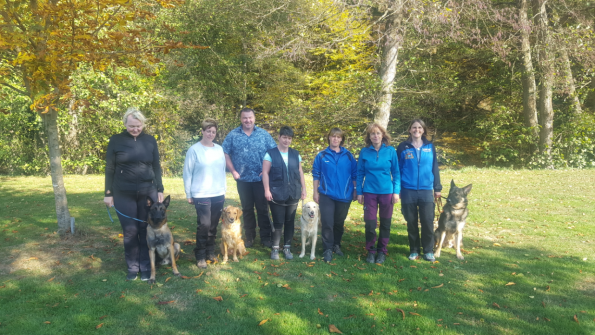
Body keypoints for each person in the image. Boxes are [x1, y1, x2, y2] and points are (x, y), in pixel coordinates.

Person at [104, 107, 164, 281]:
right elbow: (110, 168)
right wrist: (108, 193)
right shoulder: (116, 140)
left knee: (146, 229)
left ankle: (145, 266)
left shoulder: (150, 140)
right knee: (130, 231)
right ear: (125, 124)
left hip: (147, 192)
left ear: (143, 124)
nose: (135, 129)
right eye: (131, 126)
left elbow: (156, 167)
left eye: (138, 126)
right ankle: (132, 267)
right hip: (123, 192)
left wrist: (160, 189)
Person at [222, 108, 277, 248]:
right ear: (241, 119)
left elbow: (274, 153)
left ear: (254, 118)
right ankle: (249, 237)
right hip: (242, 180)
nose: (248, 120)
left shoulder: (264, 135)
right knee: (247, 209)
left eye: (250, 117)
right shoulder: (233, 135)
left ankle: (266, 237)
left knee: (263, 209)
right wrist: (233, 171)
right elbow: (225, 153)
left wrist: (266, 170)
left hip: (260, 180)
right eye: (245, 118)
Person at [183, 118, 226, 269]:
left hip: (218, 193)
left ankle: (210, 252)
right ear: (202, 131)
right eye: (208, 131)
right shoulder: (194, 150)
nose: (211, 134)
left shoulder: (219, 149)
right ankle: (200, 254)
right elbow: (187, 172)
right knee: (204, 224)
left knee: (213, 225)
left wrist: (223, 190)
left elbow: (221, 171)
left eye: (213, 132)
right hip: (201, 193)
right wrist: (189, 193)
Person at [397, 119, 442, 262]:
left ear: (423, 130)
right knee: (411, 221)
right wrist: (397, 189)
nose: (417, 130)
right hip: (407, 190)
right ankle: (414, 250)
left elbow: (435, 167)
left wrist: (437, 188)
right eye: (414, 127)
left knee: (427, 221)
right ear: (409, 130)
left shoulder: (430, 146)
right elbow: (397, 169)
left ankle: (428, 251)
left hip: (426, 189)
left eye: (420, 128)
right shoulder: (403, 147)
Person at [356, 122, 400, 264]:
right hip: (369, 192)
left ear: (383, 135)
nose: (375, 136)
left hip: (387, 192)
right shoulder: (364, 151)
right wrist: (359, 192)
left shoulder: (391, 151)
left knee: (385, 223)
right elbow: (359, 173)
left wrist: (396, 192)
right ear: (369, 137)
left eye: (378, 133)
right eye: (372, 133)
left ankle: (382, 251)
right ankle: (371, 250)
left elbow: (396, 173)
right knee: (370, 223)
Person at [312, 127, 357, 263]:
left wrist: (355, 190)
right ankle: (327, 248)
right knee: (327, 222)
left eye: (338, 137)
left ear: (341, 139)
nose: (335, 139)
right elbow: (316, 175)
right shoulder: (321, 155)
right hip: (327, 194)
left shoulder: (349, 156)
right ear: (329, 138)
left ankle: (336, 245)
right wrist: (315, 192)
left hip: (344, 195)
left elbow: (355, 174)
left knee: (338, 223)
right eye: (333, 136)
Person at [262, 126, 307, 260]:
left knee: (290, 221)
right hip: (276, 193)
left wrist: (304, 189)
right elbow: (265, 172)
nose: (287, 140)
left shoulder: (295, 154)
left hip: (293, 192)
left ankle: (287, 247)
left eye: (289, 138)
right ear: (279, 137)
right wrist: (266, 190)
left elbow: (300, 172)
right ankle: (275, 248)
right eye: (284, 137)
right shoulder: (270, 154)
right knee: (278, 222)